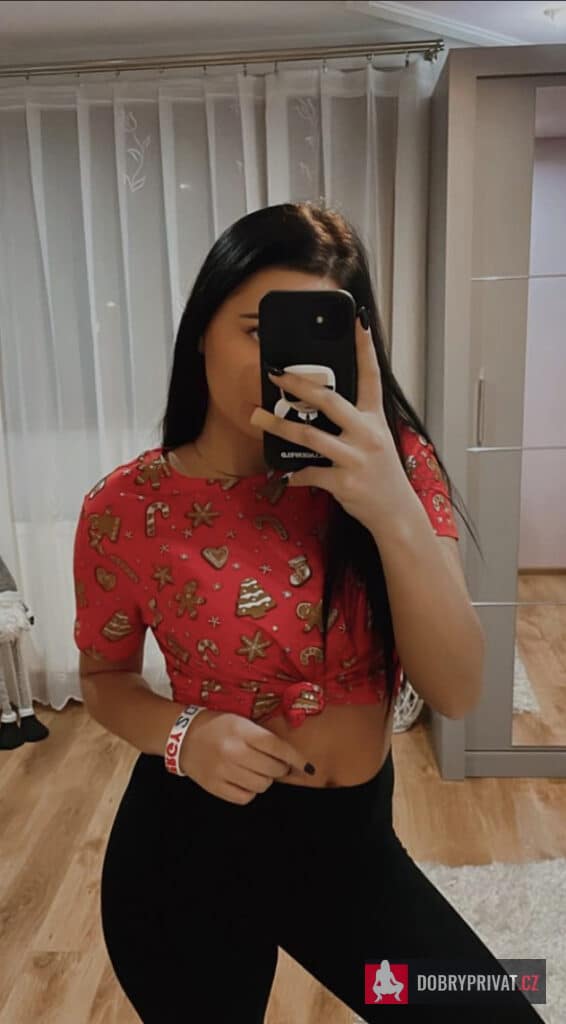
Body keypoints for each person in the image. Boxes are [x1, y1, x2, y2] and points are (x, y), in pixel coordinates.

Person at [72, 202, 542, 1022]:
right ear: (201, 333)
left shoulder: (393, 469)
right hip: (186, 856)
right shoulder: (127, 507)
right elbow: (104, 680)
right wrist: (184, 734)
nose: (283, 367)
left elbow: (459, 689)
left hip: (349, 860)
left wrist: (388, 504)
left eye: (313, 339)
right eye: (259, 331)